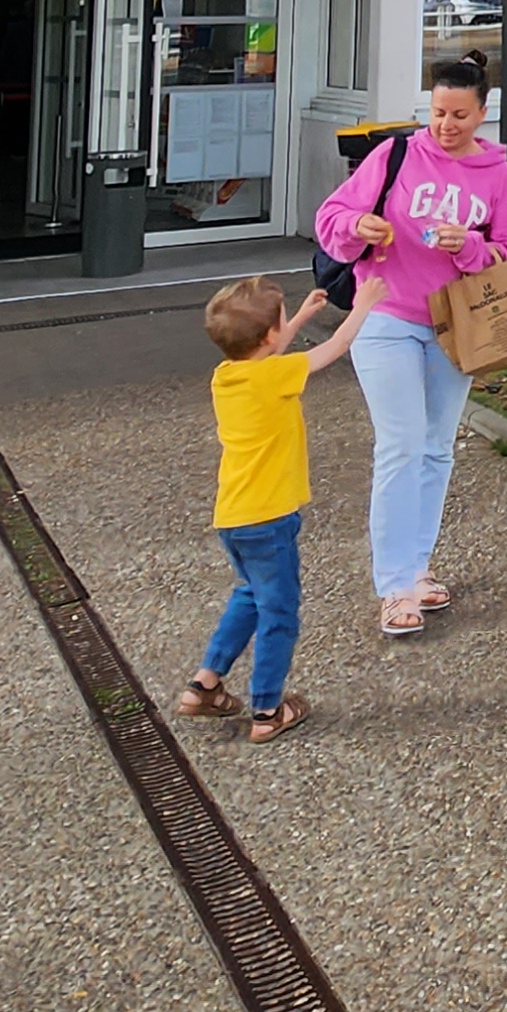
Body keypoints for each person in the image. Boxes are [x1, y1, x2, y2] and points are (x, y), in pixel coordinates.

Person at [313, 55, 507, 636]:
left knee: (435, 448)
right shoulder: (396, 154)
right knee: (400, 445)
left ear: (482, 113)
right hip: (385, 315)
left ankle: (418, 566)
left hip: (456, 325)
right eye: (437, 112)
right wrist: (357, 227)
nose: (446, 125)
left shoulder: (500, 177)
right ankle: (394, 586)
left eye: (459, 115)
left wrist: (469, 248)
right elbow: (332, 217)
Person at [177, 274, 370, 745]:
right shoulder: (276, 375)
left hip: (234, 517)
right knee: (279, 612)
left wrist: (300, 316)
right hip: (269, 518)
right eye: (282, 322)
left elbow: (268, 351)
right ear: (268, 336)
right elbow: (336, 347)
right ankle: (267, 709)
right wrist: (364, 303)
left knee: (250, 594)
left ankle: (205, 684)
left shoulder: (228, 376)